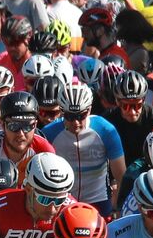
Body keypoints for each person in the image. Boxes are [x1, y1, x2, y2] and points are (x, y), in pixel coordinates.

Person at [38, 84, 125, 215]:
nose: (76, 123)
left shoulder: (106, 130)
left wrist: (117, 208)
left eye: (81, 116)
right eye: (69, 116)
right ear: (61, 111)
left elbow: (121, 176)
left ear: (89, 110)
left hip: (98, 200)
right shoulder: (49, 133)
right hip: (63, 200)